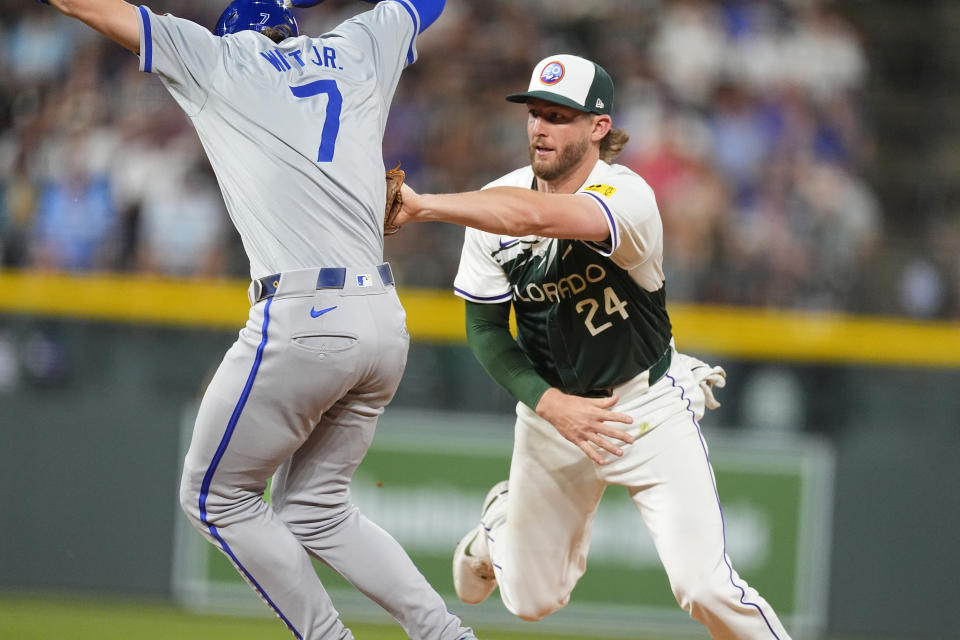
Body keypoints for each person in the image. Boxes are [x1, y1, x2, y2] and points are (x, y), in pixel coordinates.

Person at [35, 0, 478, 638]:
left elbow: (95, 9)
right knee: (317, 510)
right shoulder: (358, 46)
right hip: (384, 319)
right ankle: (444, 633)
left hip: (305, 315)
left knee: (212, 497)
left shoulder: (218, 59)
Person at [395, 54, 792, 639]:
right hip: (555, 411)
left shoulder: (627, 195)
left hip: (644, 403)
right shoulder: (492, 201)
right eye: (535, 113)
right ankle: (500, 521)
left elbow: (535, 218)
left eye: (559, 116)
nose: (540, 128)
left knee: (705, 586)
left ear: (597, 128)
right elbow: (483, 329)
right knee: (532, 600)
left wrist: (424, 206)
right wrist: (548, 402)